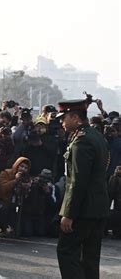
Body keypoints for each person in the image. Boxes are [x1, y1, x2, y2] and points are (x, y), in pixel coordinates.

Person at [55, 99, 110, 279]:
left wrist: (69, 214)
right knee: (90, 258)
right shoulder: (96, 136)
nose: (62, 122)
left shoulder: (82, 141)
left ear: (75, 117)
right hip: (98, 207)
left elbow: (77, 181)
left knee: (66, 251)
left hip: (83, 210)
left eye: (64, 118)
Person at [0, 157, 31, 237]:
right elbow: (3, 188)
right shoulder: (6, 173)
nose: (23, 169)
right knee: (3, 209)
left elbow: (23, 194)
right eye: (21, 166)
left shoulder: (25, 178)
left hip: (14, 203)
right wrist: (15, 180)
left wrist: (26, 187)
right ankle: (1, 227)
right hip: (1, 200)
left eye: (25, 168)